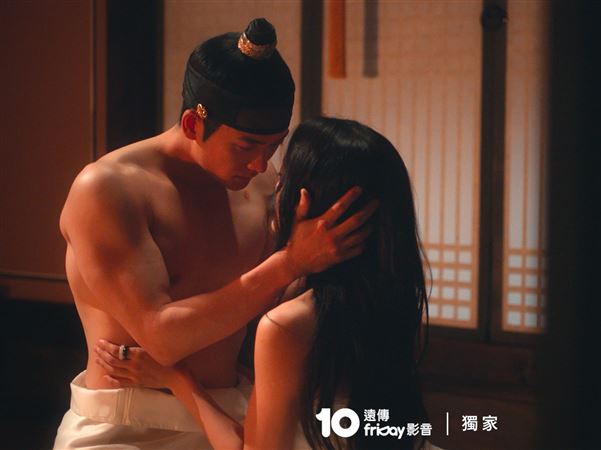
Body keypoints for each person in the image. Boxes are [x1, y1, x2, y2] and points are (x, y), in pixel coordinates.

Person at [53, 19, 376, 450]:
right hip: (124, 423)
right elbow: (162, 339)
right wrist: (291, 261)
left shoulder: (261, 184)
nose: (261, 164)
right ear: (192, 124)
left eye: (273, 146)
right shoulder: (109, 189)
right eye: (246, 146)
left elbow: (270, 304)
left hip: (229, 412)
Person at [95, 117, 435, 450]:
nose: (271, 187)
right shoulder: (398, 305)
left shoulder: (287, 325)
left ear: (306, 202)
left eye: (283, 179)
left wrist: (177, 380)